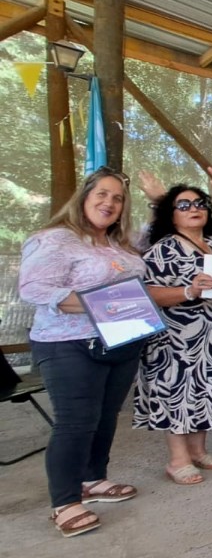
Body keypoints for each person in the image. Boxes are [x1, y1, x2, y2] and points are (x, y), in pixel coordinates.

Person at [19, 167, 144, 537]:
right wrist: (103, 306)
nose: (109, 203)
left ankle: (93, 479)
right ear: (84, 197)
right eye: (102, 194)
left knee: (106, 416)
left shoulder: (119, 244)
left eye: (117, 198)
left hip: (122, 340)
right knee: (76, 421)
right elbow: (34, 289)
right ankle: (65, 501)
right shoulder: (55, 239)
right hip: (67, 343)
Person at [134, 165, 212, 485]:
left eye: (200, 203)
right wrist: (189, 291)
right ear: (170, 214)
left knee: (206, 390)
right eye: (183, 205)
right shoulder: (162, 248)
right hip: (174, 338)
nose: (194, 209)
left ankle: (198, 451)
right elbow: (149, 294)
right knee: (176, 395)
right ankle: (178, 460)